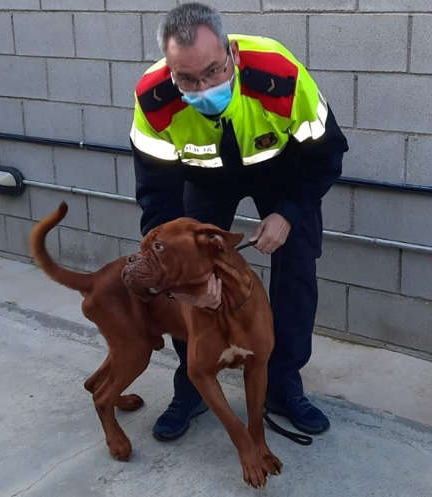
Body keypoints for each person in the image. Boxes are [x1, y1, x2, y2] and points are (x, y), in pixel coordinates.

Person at [129, 2, 348, 441]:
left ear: (231, 53)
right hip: (205, 180)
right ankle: (193, 385)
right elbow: (157, 201)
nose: (203, 87)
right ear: (170, 70)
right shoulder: (153, 100)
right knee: (188, 277)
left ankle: (283, 385)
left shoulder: (279, 75)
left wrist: (288, 212)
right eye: (187, 79)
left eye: (213, 71)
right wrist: (183, 284)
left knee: (298, 270)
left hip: (283, 173)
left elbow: (327, 154)